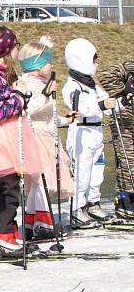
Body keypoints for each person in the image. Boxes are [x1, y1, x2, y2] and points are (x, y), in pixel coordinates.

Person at [0, 26, 44, 255]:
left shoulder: (2, 73)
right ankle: (3, 232)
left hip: (8, 134)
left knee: (12, 184)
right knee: (7, 188)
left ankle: (8, 229)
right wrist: (19, 99)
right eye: (15, 47)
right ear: (5, 49)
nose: (17, 51)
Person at [14, 37, 74, 239]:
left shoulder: (42, 83)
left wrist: (66, 120)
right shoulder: (24, 84)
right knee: (42, 181)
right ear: (36, 64)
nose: (51, 66)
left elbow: (48, 114)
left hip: (48, 137)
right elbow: (27, 108)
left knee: (42, 183)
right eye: (48, 62)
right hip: (34, 138)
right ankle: (43, 222)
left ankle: (32, 221)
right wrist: (47, 95)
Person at [62, 38, 119, 227]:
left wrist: (121, 101)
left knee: (97, 170)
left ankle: (93, 203)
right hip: (81, 132)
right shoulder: (73, 85)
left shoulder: (91, 85)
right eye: (94, 60)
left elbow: (106, 102)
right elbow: (81, 108)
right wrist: (102, 105)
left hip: (96, 131)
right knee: (82, 172)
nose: (96, 64)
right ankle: (77, 208)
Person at [96, 61, 134, 220]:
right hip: (125, 122)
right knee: (128, 162)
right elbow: (106, 76)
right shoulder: (130, 67)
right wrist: (126, 91)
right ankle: (126, 204)